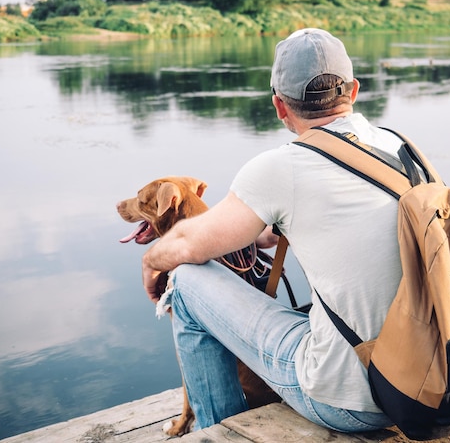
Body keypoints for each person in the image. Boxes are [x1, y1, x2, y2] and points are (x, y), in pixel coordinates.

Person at [141, 28, 404, 433]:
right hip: (426, 383)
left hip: (352, 400)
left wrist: (151, 259)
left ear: (280, 107)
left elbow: (187, 242)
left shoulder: (284, 166)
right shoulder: (400, 149)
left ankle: (218, 431)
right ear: (353, 90)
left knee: (187, 279)